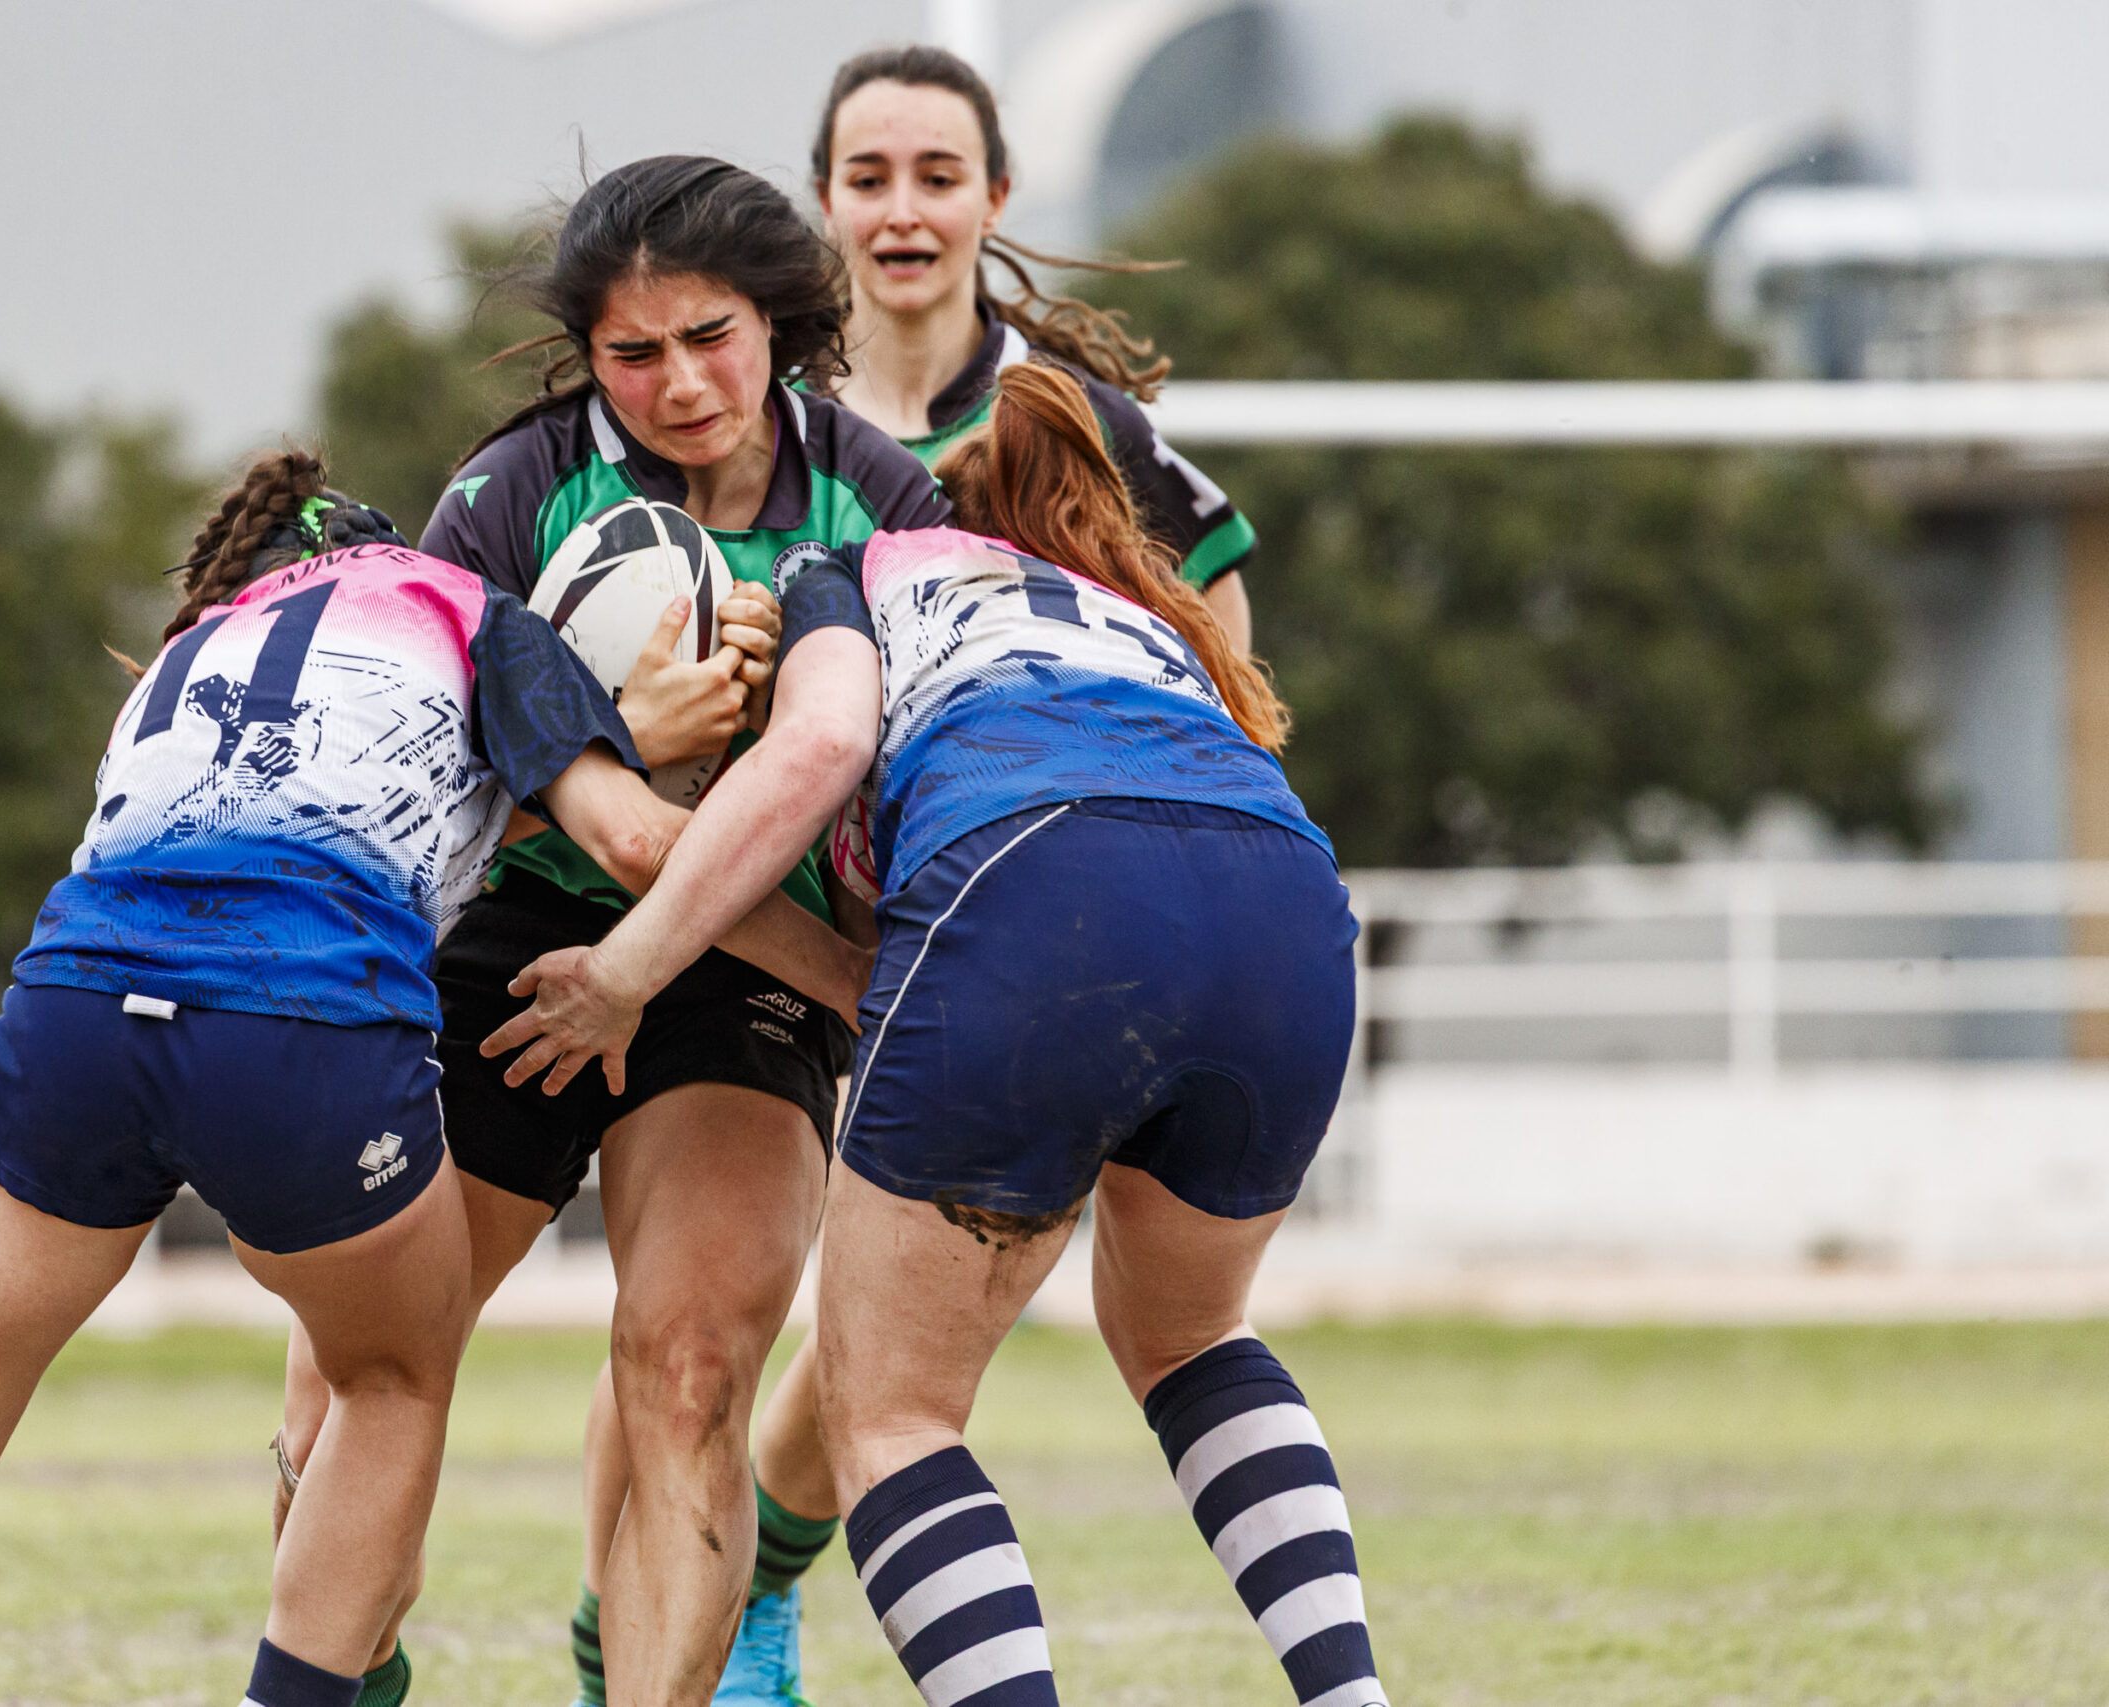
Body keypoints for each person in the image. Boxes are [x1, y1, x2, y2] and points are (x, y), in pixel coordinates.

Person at [0, 450, 853, 1707]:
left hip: (78, 1005)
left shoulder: (189, 649)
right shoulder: (465, 604)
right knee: (390, 1383)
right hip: (301, 1016)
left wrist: (605, 736)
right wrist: (866, 978)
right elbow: (640, 845)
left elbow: (372, 795)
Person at [487, 363, 1388, 1707]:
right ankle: (1349, 1691)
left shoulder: (847, 564)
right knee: (1195, 1337)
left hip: (1035, 873)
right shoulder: (1143, 613)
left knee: (892, 1410)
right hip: (1286, 895)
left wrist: (636, 954)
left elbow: (829, 788)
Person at [272, 155, 947, 1707]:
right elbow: (405, 785)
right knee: (361, 1378)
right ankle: (348, 1674)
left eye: (712, 334)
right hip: (524, 932)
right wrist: (621, 740)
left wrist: (795, 719)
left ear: (780, 319)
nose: (679, 383)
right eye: (634, 353)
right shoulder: (510, 492)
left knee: (693, 1367)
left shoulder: (882, 504)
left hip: (751, 966)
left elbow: (899, 804)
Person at [812, 42, 1259, 653]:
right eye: (868, 180)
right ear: (826, 199)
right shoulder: (768, 417)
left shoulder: (1073, 415)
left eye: (938, 179)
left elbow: (1211, 586)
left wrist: (1212, 741)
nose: (903, 211)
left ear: (995, 198)